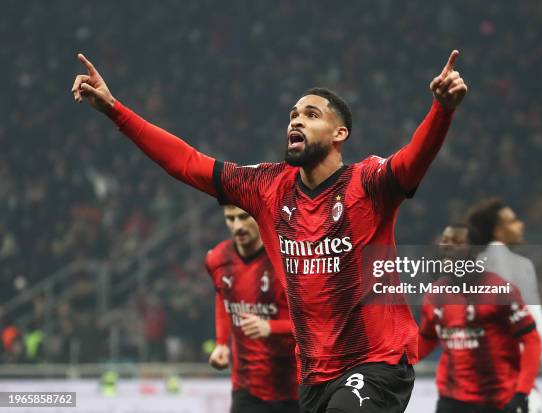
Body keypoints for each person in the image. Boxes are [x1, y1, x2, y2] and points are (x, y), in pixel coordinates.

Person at [71, 49, 467, 413]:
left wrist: (442, 110)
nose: (296, 119)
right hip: (312, 375)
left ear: (339, 134)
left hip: (377, 362)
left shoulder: (369, 183)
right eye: (293, 114)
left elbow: (415, 159)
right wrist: (113, 109)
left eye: (311, 114)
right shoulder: (266, 186)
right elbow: (188, 162)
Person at [419, 224, 542, 413]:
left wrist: (522, 392)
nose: (447, 246)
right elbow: (426, 339)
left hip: (497, 400)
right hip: (450, 399)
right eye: (445, 241)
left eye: (457, 242)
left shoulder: (499, 290)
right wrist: (393, 361)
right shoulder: (435, 294)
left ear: (475, 251)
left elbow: (531, 341)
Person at [467, 198, 542, 412]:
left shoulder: (470, 266)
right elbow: (535, 322)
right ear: (498, 231)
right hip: (513, 375)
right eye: (512, 221)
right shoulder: (521, 265)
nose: (520, 224)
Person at [206, 205, 298, 412]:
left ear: (259, 216)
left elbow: (315, 325)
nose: (237, 226)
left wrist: (270, 328)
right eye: (230, 219)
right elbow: (222, 296)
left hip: (295, 387)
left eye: (243, 217)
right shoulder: (217, 258)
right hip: (247, 389)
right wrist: (222, 343)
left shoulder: (287, 259)